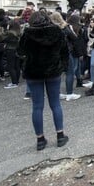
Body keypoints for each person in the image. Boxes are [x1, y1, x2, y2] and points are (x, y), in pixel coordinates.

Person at [19, 11, 69, 150]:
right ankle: (60, 135)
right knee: (55, 104)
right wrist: (63, 66)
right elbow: (65, 51)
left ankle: (40, 139)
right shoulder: (57, 32)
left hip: (33, 72)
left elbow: (20, 52)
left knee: (37, 106)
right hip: (53, 71)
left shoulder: (27, 34)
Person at [50, 12, 81, 102]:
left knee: (57, 74)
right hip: (66, 51)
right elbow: (74, 38)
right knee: (69, 72)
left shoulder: (50, 28)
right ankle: (69, 93)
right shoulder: (65, 27)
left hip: (55, 53)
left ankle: (58, 93)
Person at [2, 20, 22, 89]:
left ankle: (14, 82)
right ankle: (17, 80)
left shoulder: (9, 33)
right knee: (17, 66)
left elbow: (2, 39)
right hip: (17, 50)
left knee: (11, 66)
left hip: (10, 50)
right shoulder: (19, 33)